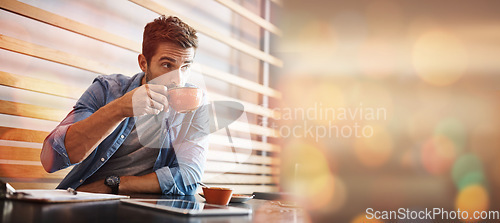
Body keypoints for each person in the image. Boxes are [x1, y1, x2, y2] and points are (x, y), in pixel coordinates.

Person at [40, 15, 210, 195]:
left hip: (150, 207)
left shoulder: (196, 101)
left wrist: (112, 185)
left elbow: (190, 176)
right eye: (167, 65)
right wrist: (119, 109)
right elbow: (51, 158)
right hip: (89, 203)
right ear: (144, 63)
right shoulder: (106, 89)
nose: (178, 80)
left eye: (185, 67)